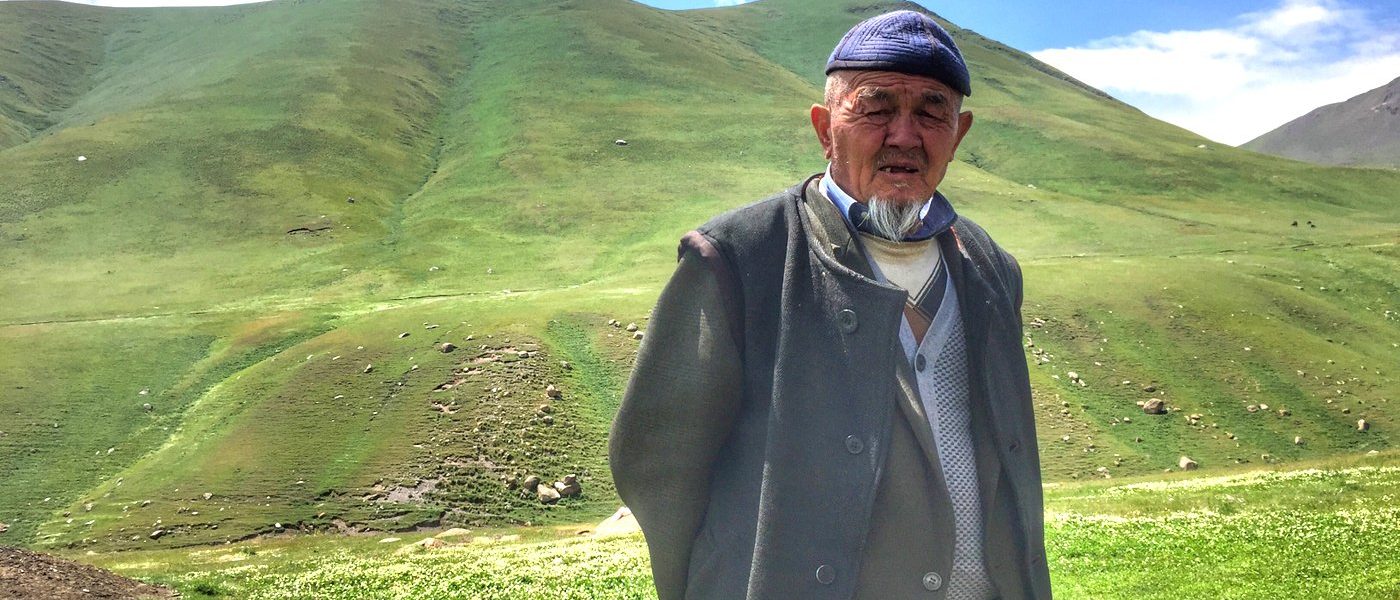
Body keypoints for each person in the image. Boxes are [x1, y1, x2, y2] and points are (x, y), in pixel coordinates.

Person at [609, 10, 1051, 600]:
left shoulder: (992, 267)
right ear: (824, 127)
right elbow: (656, 466)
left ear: (959, 133)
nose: (904, 136)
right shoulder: (736, 259)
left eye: (931, 112)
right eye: (876, 108)